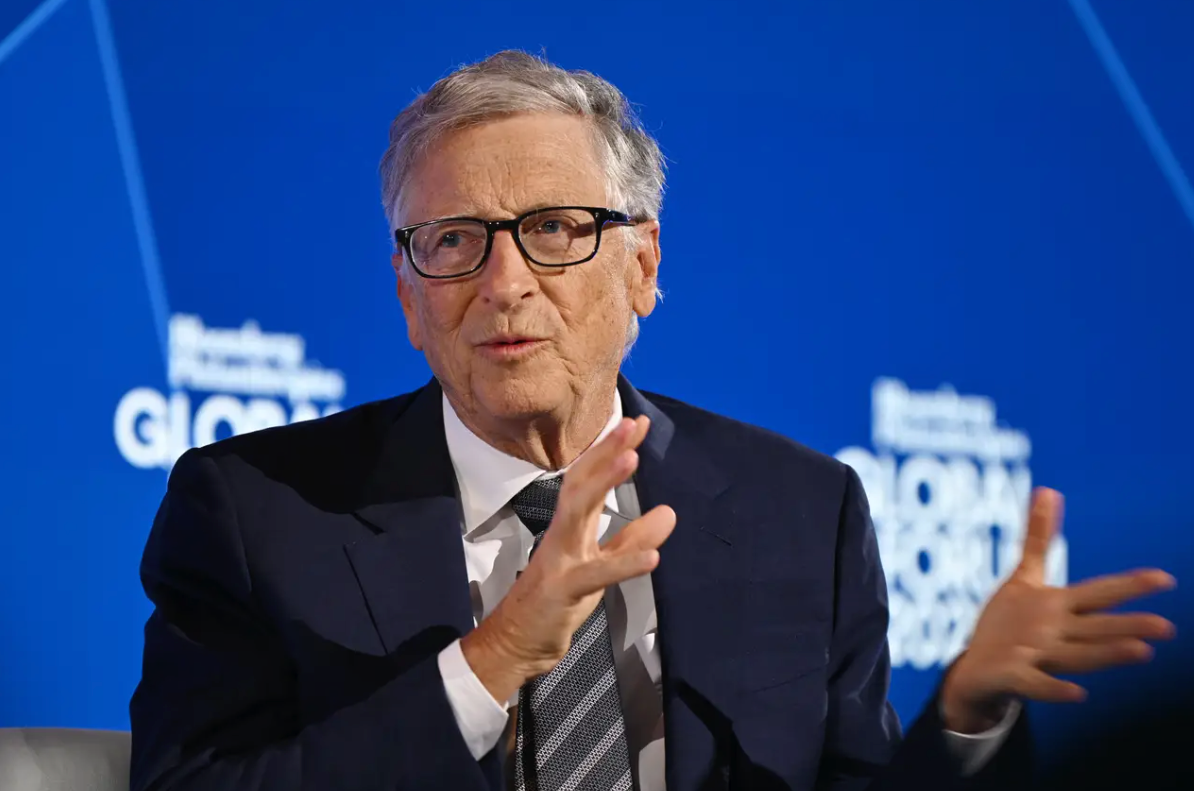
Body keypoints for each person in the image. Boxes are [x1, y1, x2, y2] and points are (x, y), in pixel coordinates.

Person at [128, 50, 1176, 791]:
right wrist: (490, 662)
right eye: (453, 240)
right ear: (408, 294)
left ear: (642, 266)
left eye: (553, 229)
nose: (504, 282)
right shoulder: (258, 514)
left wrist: (966, 715)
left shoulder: (800, 512)